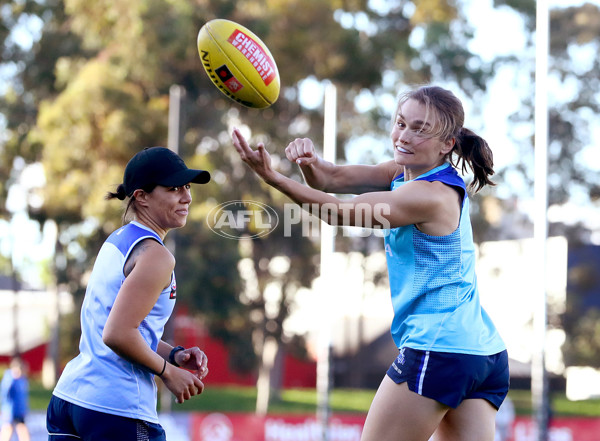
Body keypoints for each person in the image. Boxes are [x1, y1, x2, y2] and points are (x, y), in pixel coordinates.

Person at [232, 85, 509, 441]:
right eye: (400, 123)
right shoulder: (404, 173)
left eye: (420, 129)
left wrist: (273, 177)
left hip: (438, 349)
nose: (403, 136)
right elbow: (332, 179)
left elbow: (335, 211)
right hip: (480, 352)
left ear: (447, 144)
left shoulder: (429, 195)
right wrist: (309, 164)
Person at [46, 147, 211, 441]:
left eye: (187, 187)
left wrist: (173, 355)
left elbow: (128, 327)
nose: (186, 196)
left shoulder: (118, 240)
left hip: (70, 399)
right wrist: (167, 373)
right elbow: (118, 333)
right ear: (141, 196)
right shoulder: (156, 256)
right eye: (173, 188)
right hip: (117, 408)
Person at [0, 358, 30, 441]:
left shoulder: (22, 380)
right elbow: (5, 395)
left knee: (22, 430)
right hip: (9, 410)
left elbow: (23, 398)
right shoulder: (9, 379)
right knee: (7, 430)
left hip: (19, 411)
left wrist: (25, 409)